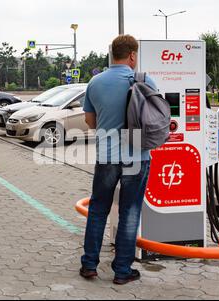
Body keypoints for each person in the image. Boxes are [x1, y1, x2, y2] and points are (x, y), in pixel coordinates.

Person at [80, 35, 157, 285]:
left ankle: (89, 265)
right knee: (130, 211)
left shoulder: (95, 82)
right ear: (132, 55)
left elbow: (90, 122)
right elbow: (153, 120)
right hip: (137, 156)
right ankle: (122, 270)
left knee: (98, 209)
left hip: (107, 157)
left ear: (113, 53)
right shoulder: (144, 81)